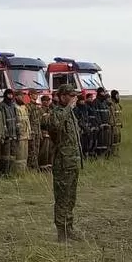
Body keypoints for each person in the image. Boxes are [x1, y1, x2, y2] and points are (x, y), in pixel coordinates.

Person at [44, 84, 84, 242]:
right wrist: (69, 107)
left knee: (71, 197)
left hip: (72, 161)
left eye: (74, 95)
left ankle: (69, 228)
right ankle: (62, 232)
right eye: (70, 95)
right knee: (62, 198)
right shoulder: (57, 111)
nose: (74, 97)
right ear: (62, 96)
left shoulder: (70, 112)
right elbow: (56, 124)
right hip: (62, 162)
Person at [0, 89, 19, 175]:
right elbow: (2, 122)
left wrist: (18, 133)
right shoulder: (1, 106)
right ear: (5, 95)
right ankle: (4, 172)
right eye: (9, 95)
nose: (10, 96)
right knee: (5, 156)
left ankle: (10, 172)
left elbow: (16, 120)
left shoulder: (13, 106)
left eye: (11, 95)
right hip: (7, 136)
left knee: (13, 155)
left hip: (14, 135)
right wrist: (5, 134)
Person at [14, 90, 31, 173]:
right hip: (20, 134)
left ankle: (23, 170)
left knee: (25, 154)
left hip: (26, 134)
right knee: (19, 154)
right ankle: (18, 171)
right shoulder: (15, 107)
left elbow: (27, 120)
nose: (22, 97)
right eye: (20, 95)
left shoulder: (24, 107)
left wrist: (29, 131)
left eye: (23, 96)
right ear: (16, 97)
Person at [37, 95, 54, 170]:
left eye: (48, 100)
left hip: (50, 133)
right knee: (44, 151)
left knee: (50, 151)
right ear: (42, 101)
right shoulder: (40, 110)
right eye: (45, 101)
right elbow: (40, 122)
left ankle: (49, 166)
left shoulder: (50, 110)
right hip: (43, 133)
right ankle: (42, 167)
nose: (47, 102)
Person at [110, 90, 123, 157]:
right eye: (117, 95)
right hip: (114, 126)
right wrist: (112, 124)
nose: (118, 97)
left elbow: (119, 115)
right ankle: (112, 153)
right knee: (114, 140)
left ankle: (116, 153)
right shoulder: (111, 105)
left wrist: (121, 122)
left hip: (118, 125)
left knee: (118, 140)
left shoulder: (117, 105)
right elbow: (112, 116)